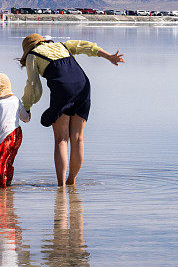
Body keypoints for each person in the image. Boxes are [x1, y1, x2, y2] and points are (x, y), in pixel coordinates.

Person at [19, 34, 124, 186]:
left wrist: (26, 107)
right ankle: (71, 181)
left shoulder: (32, 56)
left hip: (62, 89)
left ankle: (61, 186)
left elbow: (34, 87)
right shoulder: (62, 45)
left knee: (61, 140)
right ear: (43, 41)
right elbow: (86, 46)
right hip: (83, 86)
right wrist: (109, 57)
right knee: (78, 138)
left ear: (28, 49)